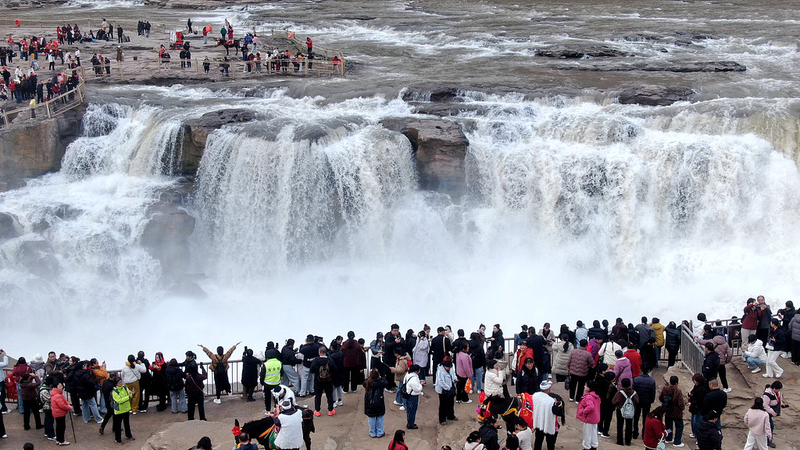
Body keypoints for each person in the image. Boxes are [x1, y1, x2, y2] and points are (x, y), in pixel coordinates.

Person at [659, 375, 686, 447]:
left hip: (668, 411)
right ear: (677, 383)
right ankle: (677, 441)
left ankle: (668, 438)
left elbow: (660, 398)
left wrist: (665, 403)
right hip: (677, 412)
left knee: (668, 426)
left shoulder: (665, 388)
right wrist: (682, 408)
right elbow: (680, 403)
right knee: (679, 426)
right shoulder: (678, 391)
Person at [532, 380, 559, 450]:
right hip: (548, 424)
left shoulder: (535, 396)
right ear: (547, 389)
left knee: (538, 441)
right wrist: (556, 404)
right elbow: (557, 412)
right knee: (550, 443)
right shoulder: (551, 401)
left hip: (538, 422)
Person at [310, 346, 336, 416]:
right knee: (329, 395)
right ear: (326, 352)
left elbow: (311, 370)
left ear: (319, 352)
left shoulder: (315, 360)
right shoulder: (330, 360)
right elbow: (334, 369)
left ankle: (317, 410)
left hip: (318, 380)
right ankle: (330, 410)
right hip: (328, 380)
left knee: (318, 396)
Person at [632, 363, 656, 440]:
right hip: (647, 402)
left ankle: (635, 433)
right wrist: (651, 401)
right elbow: (653, 393)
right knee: (645, 418)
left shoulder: (636, 379)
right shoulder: (652, 381)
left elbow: (633, 391)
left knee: (636, 417)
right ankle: (644, 434)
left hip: (637, 401)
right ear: (649, 371)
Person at [613, 377, 638, 446]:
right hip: (630, 410)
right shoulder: (634, 393)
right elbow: (637, 401)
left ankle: (620, 440)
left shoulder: (620, 393)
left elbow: (615, 401)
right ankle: (628, 441)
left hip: (620, 410)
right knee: (629, 426)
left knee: (620, 425)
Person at [576, 380, 601, 450]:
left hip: (589, 418)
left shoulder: (588, 396)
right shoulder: (596, 395)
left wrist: (584, 412)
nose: (584, 386)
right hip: (595, 417)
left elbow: (590, 407)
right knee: (593, 432)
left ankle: (587, 446)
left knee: (587, 433)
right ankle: (594, 445)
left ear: (589, 388)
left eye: (586, 386)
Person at [364, 368, 387, 438]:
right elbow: (386, 382)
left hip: (369, 402)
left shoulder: (367, 382)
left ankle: (372, 432)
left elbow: (364, 382)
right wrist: (381, 377)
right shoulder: (381, 383)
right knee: (380, 416)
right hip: (379, 402)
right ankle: (380, 432)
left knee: (371, 417)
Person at [111, 377, 135, 444]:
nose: (121, 383)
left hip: (126, 409)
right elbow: (119, 401)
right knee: (118, 426)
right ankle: (118, 439)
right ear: (116, 384)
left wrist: (132, 394)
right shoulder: (114, 392)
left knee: (127, 424)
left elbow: (129, 395)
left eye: (121, 382)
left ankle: (128, 435)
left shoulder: (124, 388)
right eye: (119, 382)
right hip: (119, 411)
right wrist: (128, 396)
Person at [762, 381, 785, 448]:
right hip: (766, 412)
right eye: (778, 389)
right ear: (774, 388)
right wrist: (772, 412)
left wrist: (781, 403)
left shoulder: (776, 393)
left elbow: (778, 398)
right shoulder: (767, 395)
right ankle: (768, 441)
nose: (779, 391)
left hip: (771, 410)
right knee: (770, 426)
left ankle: (767, 440)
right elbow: (765, 405)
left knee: (769, 426)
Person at [435, 360, 457, 425]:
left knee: (451, 402)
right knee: (443, 405)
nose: (449, 369)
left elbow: (453, 374)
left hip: (450, 387)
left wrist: (455, 379)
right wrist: (447, 388)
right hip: (443, 390)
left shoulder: (451, 368)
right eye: (448, 367)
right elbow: (440, 381)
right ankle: (442, 419)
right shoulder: (440, 371)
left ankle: (451, 415)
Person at [687, 373, 709, 439]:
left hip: (699, 407)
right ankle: (694, 433)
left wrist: (692, 403)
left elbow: (700, 400)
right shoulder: (697, 386)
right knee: (693, 421)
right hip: (694, 407)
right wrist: (690, 394)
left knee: (697, 423)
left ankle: (698, 436)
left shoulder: (703, 388)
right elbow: (693, 392)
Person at [403, 364, 423, 429]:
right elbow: (417, 388)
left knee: (409, 410)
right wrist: (420, 385)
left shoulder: (408, 375)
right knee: (412, 410)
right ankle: (410, 424)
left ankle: (410, 422)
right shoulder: (414, 378)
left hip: (408, 394)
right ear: (416, 371)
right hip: (413, 396)